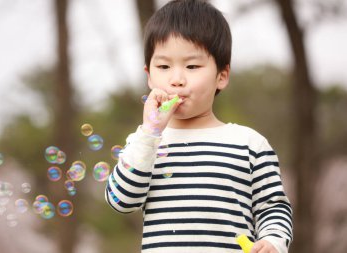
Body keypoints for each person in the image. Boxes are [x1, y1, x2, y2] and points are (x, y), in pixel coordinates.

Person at [105, 0, 293, 252]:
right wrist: (150, 132)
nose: (177, 79)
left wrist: (272, 241)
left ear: (222, 76)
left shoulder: (249, 144)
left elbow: (273, 206)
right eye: (163, 66)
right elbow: (121, 200)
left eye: (192, 66)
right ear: (149, 75)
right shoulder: (144, 143)